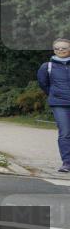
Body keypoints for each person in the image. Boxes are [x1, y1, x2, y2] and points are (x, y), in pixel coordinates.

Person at [38, 37, 70, 173]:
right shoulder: (47, 66)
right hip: (59, 103)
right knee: (65, 133)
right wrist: (54, 94)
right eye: (57, 48)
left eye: (64, 48)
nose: (60, 50)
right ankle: (67, 163)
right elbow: (43, 84)